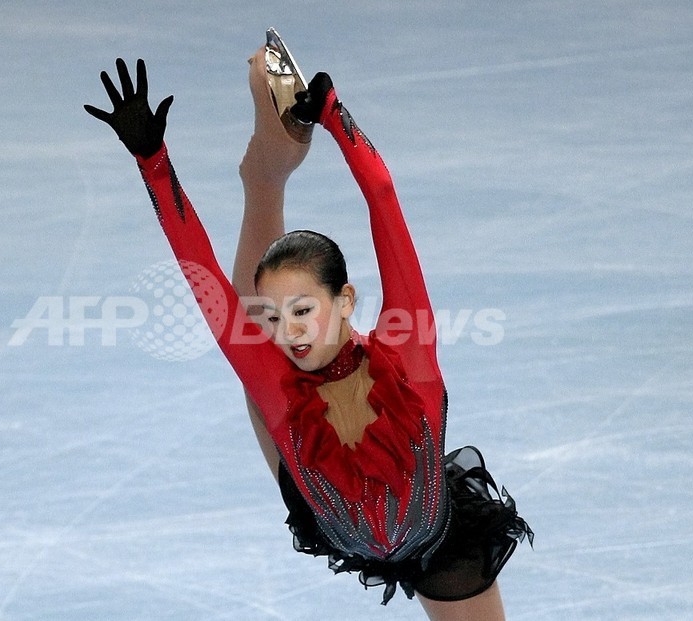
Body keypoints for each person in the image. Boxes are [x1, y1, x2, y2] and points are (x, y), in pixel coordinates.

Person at [84, 48, 531, 619]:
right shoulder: (275, 371)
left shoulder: (407, 347)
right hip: (316, 492)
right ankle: (265, 173)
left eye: (303, 311)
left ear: (346, 299)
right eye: (279, 315)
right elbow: (204, 277)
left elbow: (385, 201)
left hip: (439, 535)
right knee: (248, 335)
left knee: (255, 341)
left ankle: (270, 159)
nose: (289, 332)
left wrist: (335, 115)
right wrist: (152, 159)